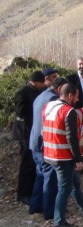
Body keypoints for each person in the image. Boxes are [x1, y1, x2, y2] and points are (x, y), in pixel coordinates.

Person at [42, 83, 83, 227]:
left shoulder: (49, 106)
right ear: (70, 95)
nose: (77, 99)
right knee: (64, 188)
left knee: (74, 182)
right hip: (62, 156)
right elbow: (71, 138)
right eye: (76, 96)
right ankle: (59, 221)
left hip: (50, 152)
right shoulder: (69, 111)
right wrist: (78, 159)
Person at [29, 76, 65, 219]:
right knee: (49, 178)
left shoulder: (40, 95)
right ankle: (49, 211)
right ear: (60, 88)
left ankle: (35, 206)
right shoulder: (52, 100)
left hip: (34, 141)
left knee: (40, 175)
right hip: (44, 143)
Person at [14, 70, 46, 205]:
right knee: (27, 164)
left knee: (34, 164)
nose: (43, 85)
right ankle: (22, 193)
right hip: (25, 134)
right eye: (41, 83)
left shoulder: (39, 92)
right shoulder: (22, 94)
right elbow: (21, 114)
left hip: (35, 132)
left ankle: (32, 190)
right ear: (35, 82)